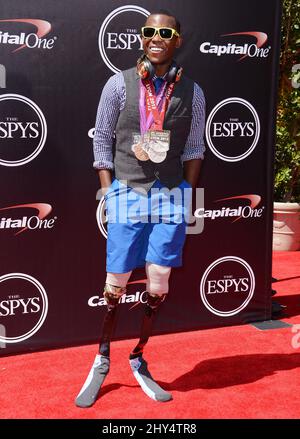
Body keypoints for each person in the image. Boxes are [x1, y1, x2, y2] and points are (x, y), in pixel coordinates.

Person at [75, 9, 205, 407]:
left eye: (165, 32)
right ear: (142, 37)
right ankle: (101, 358)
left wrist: (187, 195)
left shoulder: (194, 92)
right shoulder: (118, 85)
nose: (156, 37)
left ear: (177, 40)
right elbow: (101, 147)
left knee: (159, 281)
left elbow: (195, 149)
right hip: (127, 191)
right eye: (150, 31)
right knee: (115, 284)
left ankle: (138, 356)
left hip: (171, 194)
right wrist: (108, 195)